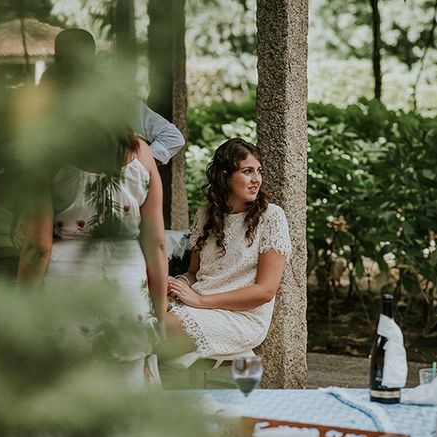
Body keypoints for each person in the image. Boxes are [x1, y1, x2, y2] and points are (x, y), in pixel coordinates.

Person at [16, 129, 167, 387]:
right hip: (128, 282)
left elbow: (38, 248)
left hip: (67, 283)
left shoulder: (51, 154)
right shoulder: (142, 153)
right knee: (128, 387)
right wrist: (160, 318)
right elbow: (157, 245)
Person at [162, 138, 291, 366]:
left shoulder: (271, 217)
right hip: (196, 304)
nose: (256, 180)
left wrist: (201, 300)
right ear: (225, 176)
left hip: (241, 318)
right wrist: (174, 285)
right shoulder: (205, 215)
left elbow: (265, 291)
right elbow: (193, 272)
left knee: (157, 329)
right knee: (139, 313)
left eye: (258, 171)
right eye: (247, 171)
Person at [40, 28, 185, 165]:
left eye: (74, 61)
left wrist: (136, 170)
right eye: (61, 60)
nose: (67, 67)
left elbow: (171, 137)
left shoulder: (114, 98)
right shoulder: (45, 97)